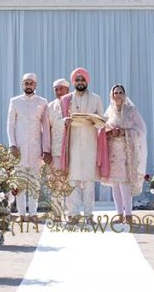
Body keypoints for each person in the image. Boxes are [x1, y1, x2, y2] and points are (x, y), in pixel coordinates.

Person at [59, 67, 106, 220]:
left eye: (83, 79)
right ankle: (72, 214)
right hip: (72, 145)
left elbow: (102, 123)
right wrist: (65, 121)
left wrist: (94, 121)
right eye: (77, 80)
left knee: (88, 182)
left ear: (87, 81)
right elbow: (59, 121)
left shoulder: (96, 98)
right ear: (73, 82)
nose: (80, 82)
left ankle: (88, 214)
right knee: (72, 182)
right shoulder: (66, 99)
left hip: (90, 145)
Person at [7, 73, 51, 219]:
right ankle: (21, 213)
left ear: (35, 85)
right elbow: (10, 124)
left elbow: (45, 127)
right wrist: (12, 144)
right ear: (22, 85)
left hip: (35, 148)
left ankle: (32, 213)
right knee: (20, 182)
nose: (28, 86)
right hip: (18, 148)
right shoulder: (15, 101)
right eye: (26, 83)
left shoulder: (43, 102)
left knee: (34, 182)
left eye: (31, 83)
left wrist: (46, 149)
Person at [101, 84, 148, 221]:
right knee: (114, 184)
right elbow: (102, 129)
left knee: (125, 183)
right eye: (115, 93)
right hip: (113, 152)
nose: (118, 95)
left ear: (124, 94)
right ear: (112, 95)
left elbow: (141, 130)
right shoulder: (109, 112)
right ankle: (119, 214)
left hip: (127, 152)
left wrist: (124, 132)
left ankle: (128, 215)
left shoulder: (131, 111)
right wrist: (110, 132)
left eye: (120, 92)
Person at [46, 78, 72, 218]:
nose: (58, 91)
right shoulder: (50, 107)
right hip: (55, 150)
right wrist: (46, 150)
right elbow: (45, 130)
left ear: (67, 90)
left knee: (70, 182)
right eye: (56, 89)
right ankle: (57, 213)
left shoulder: (75, 104)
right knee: (55, 181)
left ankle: (71, 213)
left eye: (61, 88)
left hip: (72, 150)